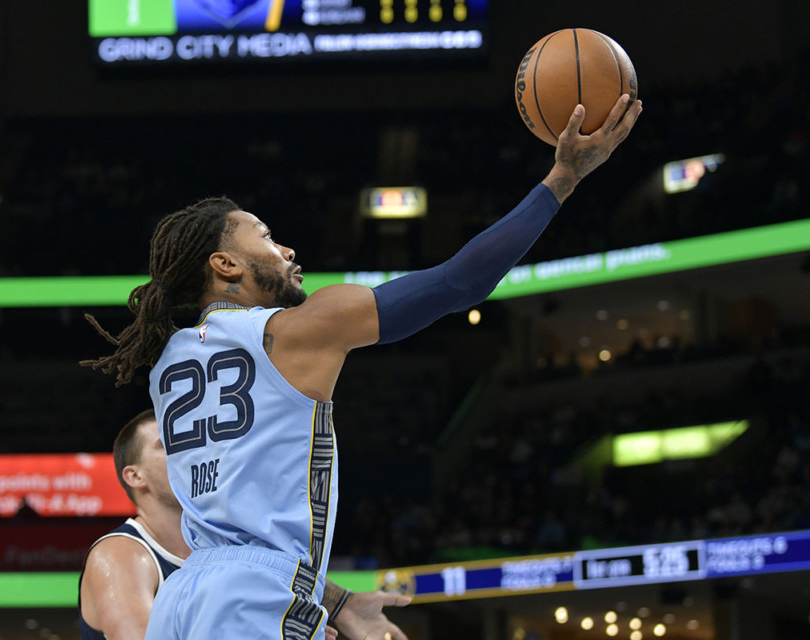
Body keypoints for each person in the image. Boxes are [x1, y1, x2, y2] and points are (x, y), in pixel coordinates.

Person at [83, 97, 642, 640]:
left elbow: (235, 542)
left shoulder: (171, 358)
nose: (288, 250)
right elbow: (458, 282)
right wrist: (561, 180)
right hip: (254, 597)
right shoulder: (294, 331)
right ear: (225, 263)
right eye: (267, 237)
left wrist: (340, 602)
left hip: (184, 598)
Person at [79, 409, 411, 640]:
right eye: (168, 446)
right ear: (135, 476)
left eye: (190, 442)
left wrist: (343, 605)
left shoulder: (222, 543)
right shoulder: (121, 554)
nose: (188, 453)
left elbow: (273, 570)